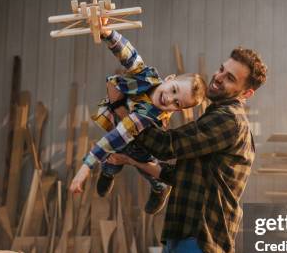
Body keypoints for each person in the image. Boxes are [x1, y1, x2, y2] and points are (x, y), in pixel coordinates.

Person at [106, 47, 267, 253]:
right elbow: (176, 174)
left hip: (200, 239)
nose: (218, 78)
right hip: (179, 236)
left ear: (245, 94)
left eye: (230, 78)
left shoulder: (228, 121)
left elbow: (167, 145)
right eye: (221, 69)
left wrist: (124, 114)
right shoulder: (213, 117)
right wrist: (132, 161)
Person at [69, 28, 206, 215]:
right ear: (169, 79)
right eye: (173, 90)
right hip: (123, 124)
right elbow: (129, 55)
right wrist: (108, 33)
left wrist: (85, 167)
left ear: (178, 110)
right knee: (111, 159)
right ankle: (108, 172)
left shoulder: (147, 116)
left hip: (142, 144)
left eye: (177, 103)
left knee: (143, 166)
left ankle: (160, 189)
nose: (169, 99)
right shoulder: (148, 77)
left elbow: (116, 137)